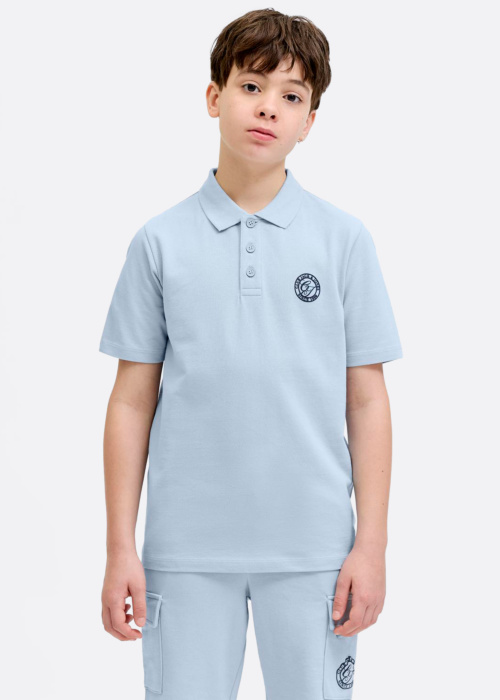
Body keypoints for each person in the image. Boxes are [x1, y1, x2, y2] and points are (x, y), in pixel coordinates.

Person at [99, 8, 403, 699]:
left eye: (291, 96)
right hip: (185, 551)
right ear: (214, 97)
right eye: (251, 86)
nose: (269, 107)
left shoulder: (344, 241)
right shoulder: (159, 242)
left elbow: (367, 401)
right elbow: (130, 402)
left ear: (309, 122)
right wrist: (120, 546)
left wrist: (372, 545)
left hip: (315, 550)